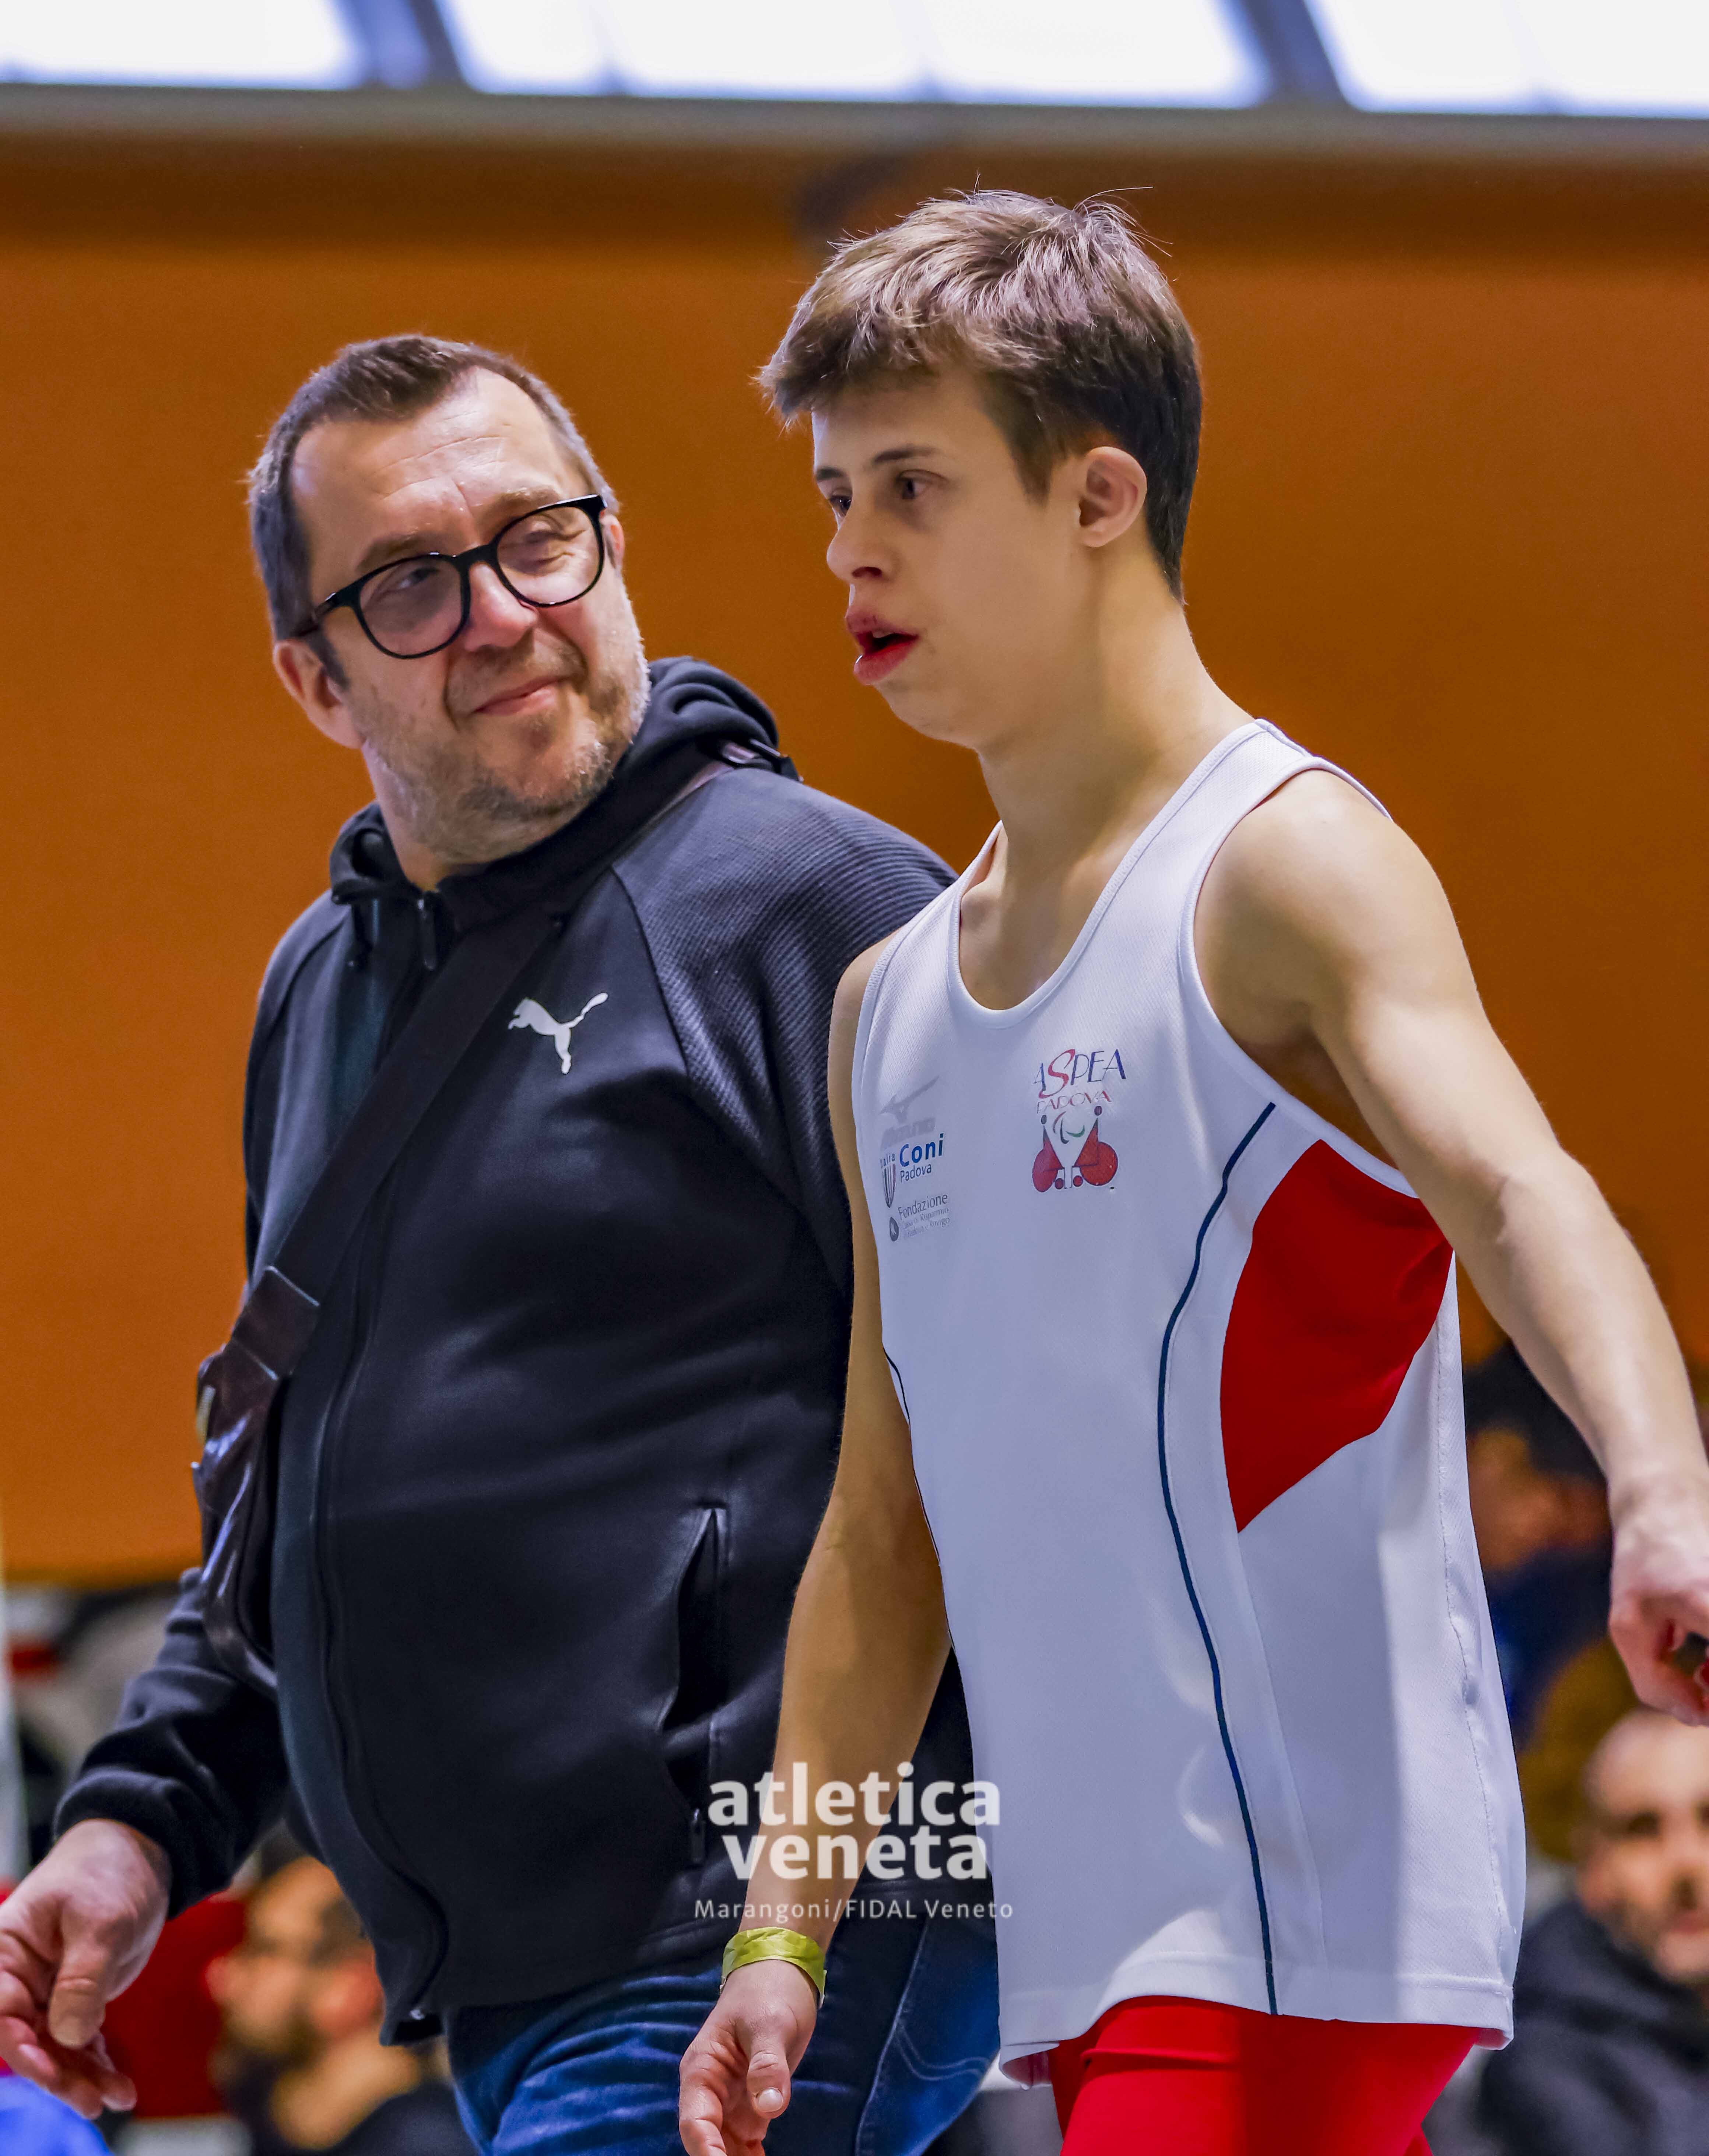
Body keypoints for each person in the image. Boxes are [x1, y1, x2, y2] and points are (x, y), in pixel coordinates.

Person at [676, 192, 1709, 2156]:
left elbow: (1520, 1191)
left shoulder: (1283, 867)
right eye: (834, 496)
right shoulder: (887, 1008)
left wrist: (1661, 1490)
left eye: (911, 485)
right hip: (1091, 1955)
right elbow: (882, 1536)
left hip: (1302, 1924)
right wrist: (782, 1935)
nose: (849, 549)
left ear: (1098, 495)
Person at [0, 336, 997, 2153]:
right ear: (314, 677)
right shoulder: (324, 984)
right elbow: (291, 1496)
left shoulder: (815, 905)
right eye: (410, 583)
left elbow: (1028, 1427)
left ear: (612, 547)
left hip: (765, 1925)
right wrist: (139, 1818)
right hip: (507, 1977)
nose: (501, 613)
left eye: (540, 538)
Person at [1479, 1709, 1709, 2153]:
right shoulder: (1543, 2065)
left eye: (1708, 1819)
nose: (1685, 1862)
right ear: (1593, 1869)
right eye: (1642, 1830)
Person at [208, 1853, 471, 2156]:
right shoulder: (271, 2124)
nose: (221, 1978)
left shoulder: (430, 2145)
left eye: (265, 1950)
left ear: (353, 1985)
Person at [1466, 1341, 1611, 1741]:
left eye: (1562, 1540)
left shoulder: (1537, 1623)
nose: (1535, 1531)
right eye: (1561, 1502)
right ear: (1496, 1447)